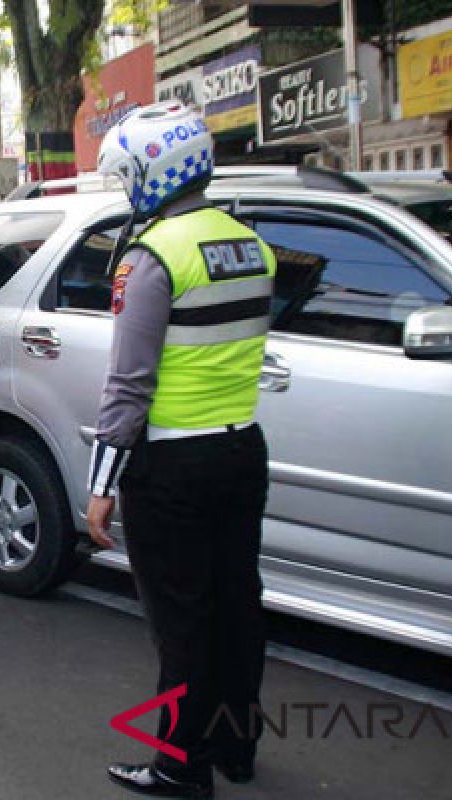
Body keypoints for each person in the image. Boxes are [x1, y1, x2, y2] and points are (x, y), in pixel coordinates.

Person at [86, 103, 276, 798]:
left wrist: (101, 482)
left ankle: (176, 765)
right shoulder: (249, 243)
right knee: (237, 605)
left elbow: (128, 386)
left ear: (151, 172)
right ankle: (237, 746)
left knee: (181, 623)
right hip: (242, 452)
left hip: (172, 469)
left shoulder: (152, 256)